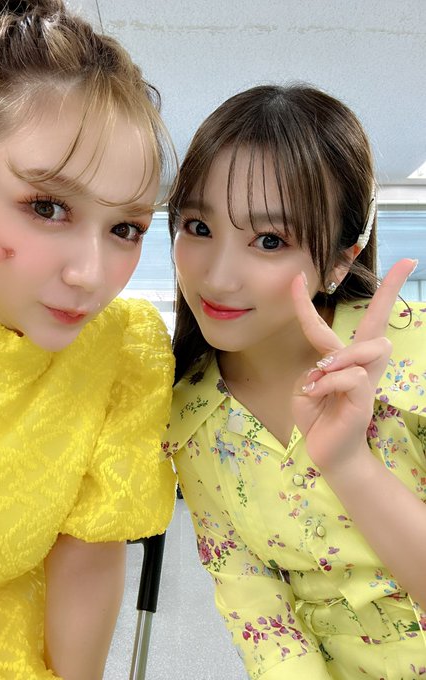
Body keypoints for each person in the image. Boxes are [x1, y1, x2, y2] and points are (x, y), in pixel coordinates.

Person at [0, 1, 177, 678]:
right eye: (48, 206)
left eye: (126, 228)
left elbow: (87, 556)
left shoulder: (122, 350)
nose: (91, 275)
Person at [163, 84, 426, 678]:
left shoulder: (414, 353)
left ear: (340, 259)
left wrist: (351, 467)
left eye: (269, 241)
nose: (218, 277)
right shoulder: (191, 413)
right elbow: (259, 613)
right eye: (198, 226)